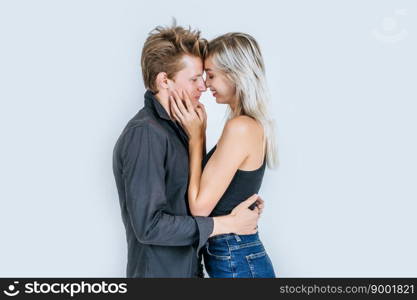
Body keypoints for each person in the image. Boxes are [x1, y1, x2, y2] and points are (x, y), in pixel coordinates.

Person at [112, 25, 263, 278]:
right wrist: (226, 224)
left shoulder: (177, 129)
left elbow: (195, 194)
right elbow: (149, 226)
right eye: (194, 79)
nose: (203, 86)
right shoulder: (146, 133)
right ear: (164, 80)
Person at [170, 32, 278, 278]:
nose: (206, 84)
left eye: (211, 75)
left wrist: (196, 138)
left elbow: (199, 208)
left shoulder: (240, 127)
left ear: (235, 74)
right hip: (237, 255)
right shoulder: (247, 125)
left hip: (237, 257)